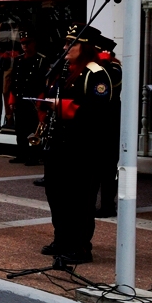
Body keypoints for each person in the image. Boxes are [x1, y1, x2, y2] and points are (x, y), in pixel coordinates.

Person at [40, 24, 114, 265]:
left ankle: (80, 247)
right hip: (59, 145)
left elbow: (98, 111)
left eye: (71, 44)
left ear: (84, 47)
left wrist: (60, 107)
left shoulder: (96, 73)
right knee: (57, 195)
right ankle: (62, 239)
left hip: (82, 148)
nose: (65, 48)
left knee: (80, 200)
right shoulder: (65, 70)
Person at [9, 31, 47, 166]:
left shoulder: (41, 60)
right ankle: (21, 153)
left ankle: (34, 156)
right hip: (20, 98)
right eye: (23, 44)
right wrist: (12, 99)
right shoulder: (19, 59)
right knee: (20, 128)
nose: (25, 46)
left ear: (33, 43)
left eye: (27, 43)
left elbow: (44, 83)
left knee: (32, 128)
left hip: (33, 99)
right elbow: (14, 80)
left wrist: (40, 100)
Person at [96, 39, 121, 218]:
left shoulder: (114, 68)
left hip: (110, 123)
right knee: (98, 168)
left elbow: (109, 85)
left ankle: (107, 205)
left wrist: (103, 61)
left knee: (108, 168)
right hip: (100, 123)